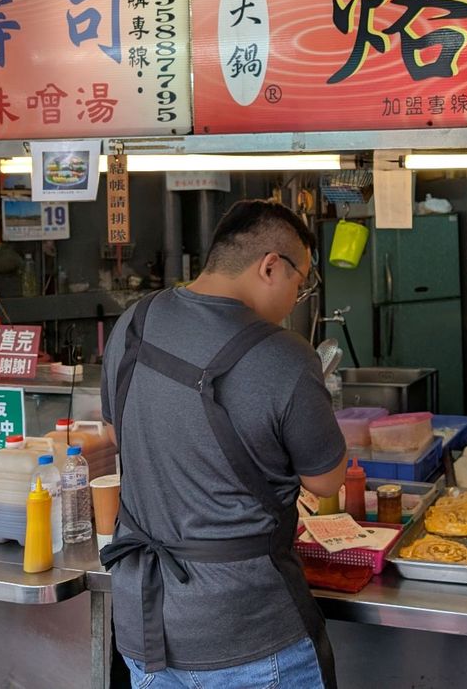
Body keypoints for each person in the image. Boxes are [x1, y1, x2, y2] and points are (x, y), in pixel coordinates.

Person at [100, 200, 347, 688]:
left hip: (147, 630)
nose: (297, 300)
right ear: (270, 266)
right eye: (301, 286)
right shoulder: (286, 356)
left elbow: (115, 434)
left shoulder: (134, 323)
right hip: (250, 633)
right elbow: (326, 480)